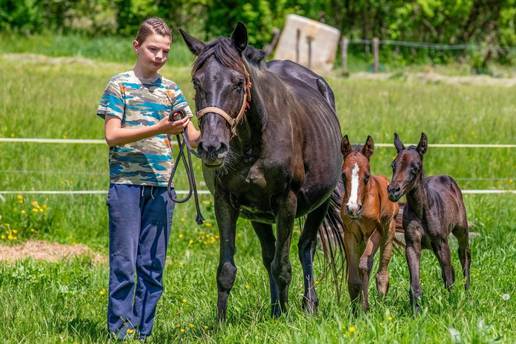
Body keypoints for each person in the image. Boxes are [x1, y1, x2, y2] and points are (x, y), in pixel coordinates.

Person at [96, 17, 200, 340]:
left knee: (152, 266)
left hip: (162, 188)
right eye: (153, 49)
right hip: (126, 186)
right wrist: (159, 128)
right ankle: (119, 332)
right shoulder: (120, 85)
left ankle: (144, 332)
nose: (159, 56)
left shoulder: (173, 91)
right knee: (125, 264)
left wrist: (220, 127)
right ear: (137, 46)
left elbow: (193, 139)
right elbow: (112, 135)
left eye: (166, 51)